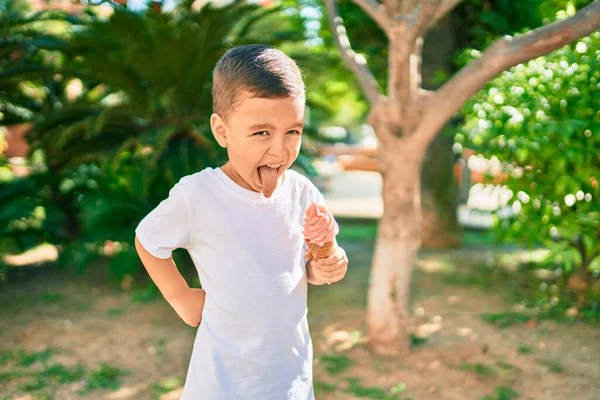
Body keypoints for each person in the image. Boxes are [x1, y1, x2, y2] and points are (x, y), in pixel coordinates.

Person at [134, 44, 349, 400]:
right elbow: (148, 240)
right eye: (262, 133)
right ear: (222, 131)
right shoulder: (199, 195)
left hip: (290, 378)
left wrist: (328, 263)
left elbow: (309, 267)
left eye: (292, 132)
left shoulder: (303, 192)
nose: (280, 151)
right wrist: (181, 296)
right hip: (222, 381)